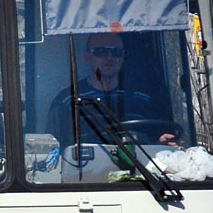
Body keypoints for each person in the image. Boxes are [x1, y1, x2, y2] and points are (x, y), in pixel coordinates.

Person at [47, 32, 177, 146]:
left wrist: (163, 142)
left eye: (116, 52)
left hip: (138, 171)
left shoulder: (143, 98)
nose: (109, 57)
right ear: (87, 56)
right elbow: (54, 150)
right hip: (85, 172)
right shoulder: (68, 100)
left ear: (123, 57)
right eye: (101, 51)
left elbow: (158, 142)